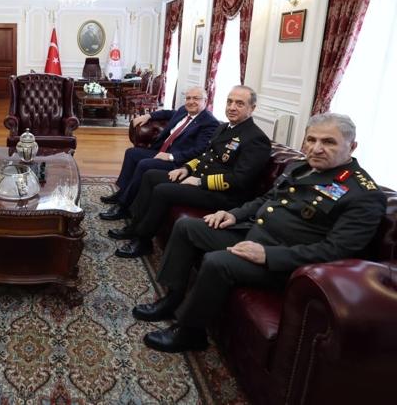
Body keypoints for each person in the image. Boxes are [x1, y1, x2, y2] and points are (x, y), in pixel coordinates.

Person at [132, 113, 386, 353]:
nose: (316, 148)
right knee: (188, 227)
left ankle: (190, 332)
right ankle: (172, 298)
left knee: (217, 262)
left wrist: (268, 255)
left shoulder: (363, 194)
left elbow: (337, 251)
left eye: (329, 142)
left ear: (352, 146)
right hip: (254, 233)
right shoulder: (301, 167)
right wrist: (234, 215)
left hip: (284, 263)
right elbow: (266, 199)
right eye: (311, 140)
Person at [113, 85, 271, 257]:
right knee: (151, 176)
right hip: (201, 180)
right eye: (229, 102)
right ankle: (134, 227)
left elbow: (240, 179)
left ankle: (143, 241)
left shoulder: (256, 138)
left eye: (239, 104)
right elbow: (206, 156)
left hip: (223, 195)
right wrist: (186, 168)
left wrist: (200, 181)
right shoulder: (224, 127)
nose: (232, 107)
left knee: (163, 191)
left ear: (252, 108)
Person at [99, 86, 219, 221]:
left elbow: (200, 150)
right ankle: (122, 192)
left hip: (178, 162)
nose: (191, 101)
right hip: (161, 151)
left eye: (196, 98)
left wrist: (171, 156)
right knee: (131, 153)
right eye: (188, 98)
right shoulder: (184, 110)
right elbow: (167, 113)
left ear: (205, 101)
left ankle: (124, 206)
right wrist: (148, 115)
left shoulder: (209, 123)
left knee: (145, 164)